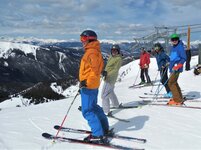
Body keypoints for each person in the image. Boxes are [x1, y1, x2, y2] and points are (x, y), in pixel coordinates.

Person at [79, 30, 109, 144]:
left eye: (83, 39)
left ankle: (97, 134)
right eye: (81, 39)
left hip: (89, 86)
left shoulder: (91, 52)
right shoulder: (95, 51)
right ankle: (104, 128)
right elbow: (97, 70)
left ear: (90, 39)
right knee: (94, 107)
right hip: (93, 85)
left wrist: (86, 82)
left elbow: (95, 71)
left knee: (87, 111)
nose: (82, 42)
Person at [101, 44, 123, 115]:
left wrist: (107, 74)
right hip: (107, 77)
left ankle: (106, 111)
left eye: (115, 50)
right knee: (110, 92)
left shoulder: (118, 59)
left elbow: (115, 70)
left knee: (104, 95)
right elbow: (108, 67)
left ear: (118, 51)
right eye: (112, 50)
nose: (114, 52)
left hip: (110, 79)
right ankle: (116, 104)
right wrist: (104, 72)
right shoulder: (111, 57)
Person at [167, 33, 186, 105]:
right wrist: (170, 63)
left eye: (176, 39)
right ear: (171, 40)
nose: (174, 41)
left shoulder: (180, 47)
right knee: (174, 82)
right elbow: (173, 58)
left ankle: (177, 100)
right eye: (173, 39)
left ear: (178, 39)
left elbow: (184, 58)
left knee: (171, 83)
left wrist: (178, 66)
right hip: (173, 68)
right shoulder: (173, 47)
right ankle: (179, 97)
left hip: (176, 68)